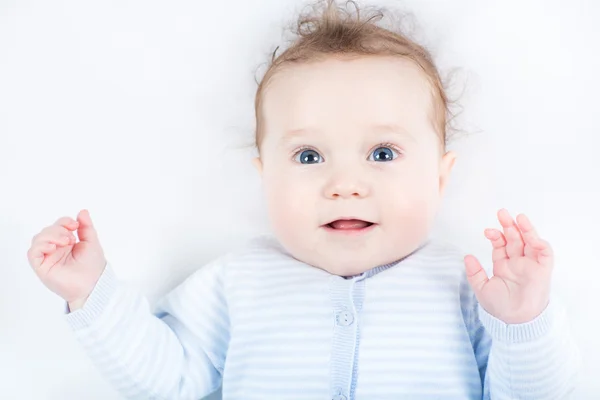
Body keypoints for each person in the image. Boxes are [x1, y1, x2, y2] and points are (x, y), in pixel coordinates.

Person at [26, 0, 580, 398]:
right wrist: (92, 294)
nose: (344, 184)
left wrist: (524, 321)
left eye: (383, 154)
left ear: (440, 177)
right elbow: (170, 380)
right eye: (309, 157)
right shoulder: (236, 282)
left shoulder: (468, 290)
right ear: (264, 176)